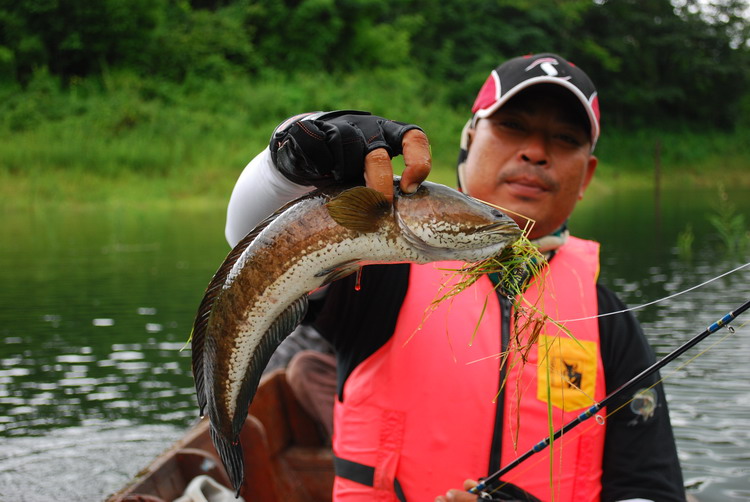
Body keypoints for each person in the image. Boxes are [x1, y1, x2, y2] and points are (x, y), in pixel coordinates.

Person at [224, 53, 686, 501]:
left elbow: (650, 487)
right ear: (469, 140)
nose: (536, 152)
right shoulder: (384, 268)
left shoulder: (611, 321)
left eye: (565, 139)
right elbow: (251, 242)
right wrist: (289, 159)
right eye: (512, 126)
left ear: (586, 175)